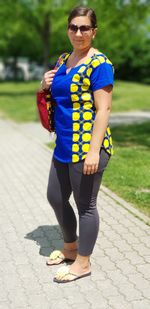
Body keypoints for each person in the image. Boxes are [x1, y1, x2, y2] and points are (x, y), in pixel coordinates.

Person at [41, 6, 114, 283]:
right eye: (74, 27)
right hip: (63, 146)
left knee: (86, 205)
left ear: (94, 32)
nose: (78, 32)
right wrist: (45, 82)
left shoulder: (100, 64)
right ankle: (70, 248)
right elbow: (56, 97)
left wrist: (94, 150)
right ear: (68, 29)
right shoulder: (63, 60)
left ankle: (83, 262)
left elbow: (104, 110)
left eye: (85, 28)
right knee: (56, 198)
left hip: (87, 148)